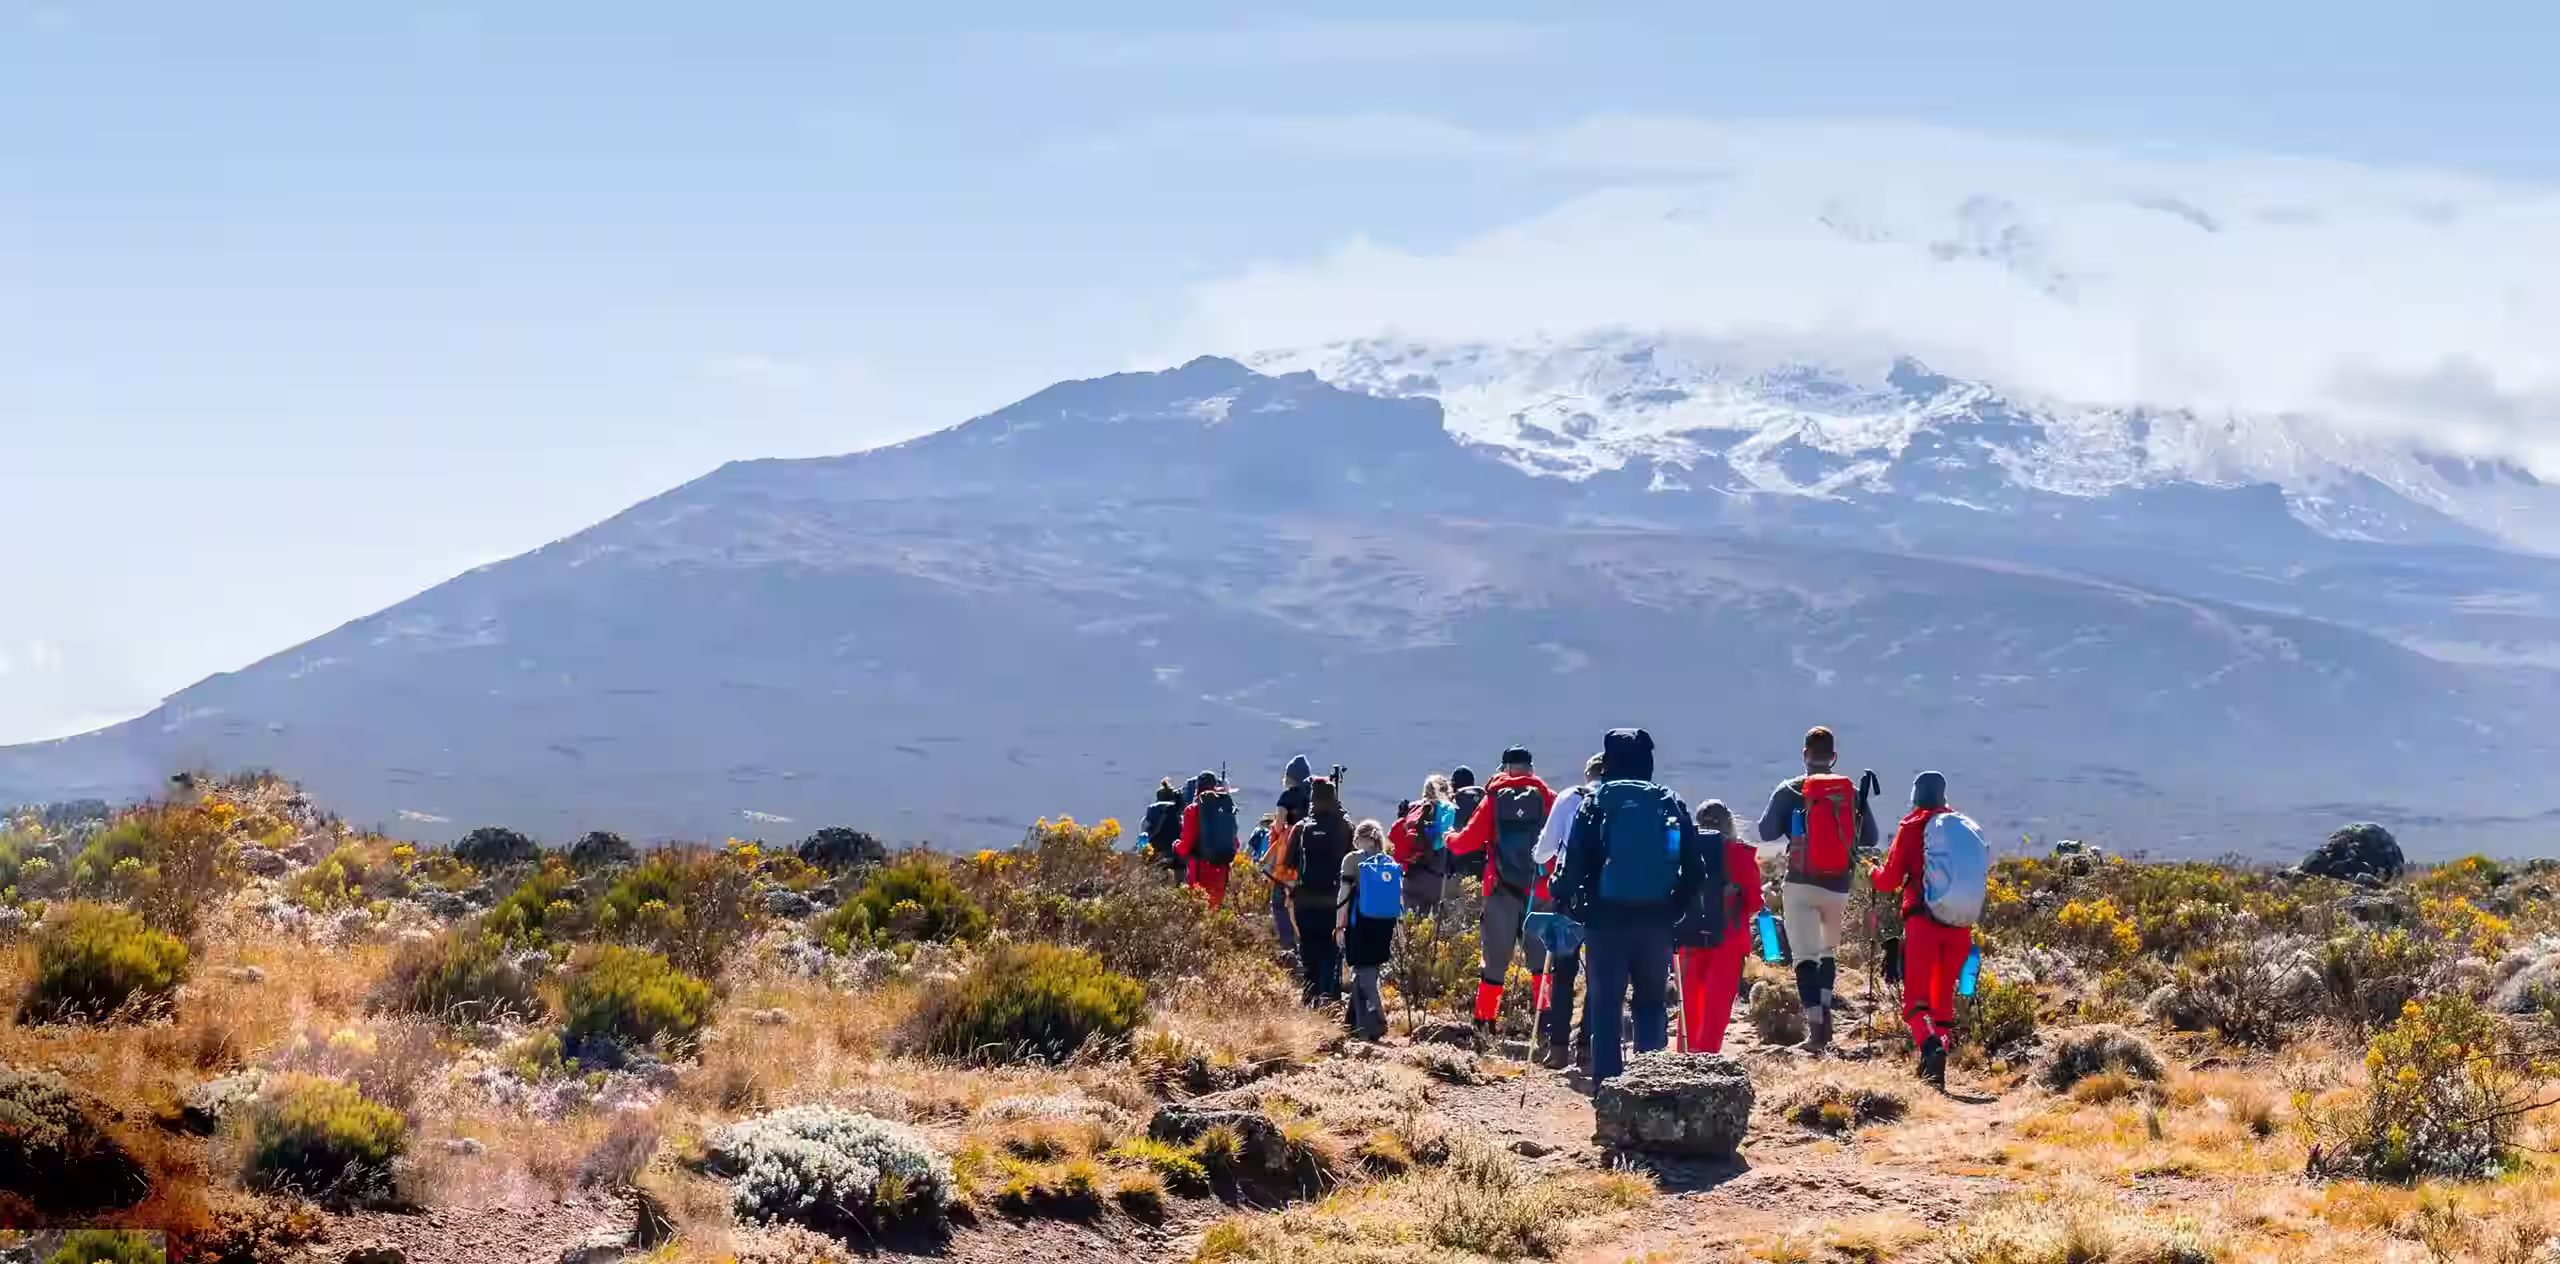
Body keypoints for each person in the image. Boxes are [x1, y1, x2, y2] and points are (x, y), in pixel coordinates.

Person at [1558, 729, 1718, 1086]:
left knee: (1605, 1005)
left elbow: (1575, 866)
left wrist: (1567, 898)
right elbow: (1696, 869)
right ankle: (1650, 1085)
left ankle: (1607, 1088)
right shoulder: (1668, 802)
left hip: (1605, 921)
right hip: (1656, 920)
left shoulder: (1596, 802)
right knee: (1650, 1003)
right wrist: (1673, 907)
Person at [1757, 726, 1879, 1054]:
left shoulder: (1790, 789)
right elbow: (1871, 838)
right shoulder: (1849, 791)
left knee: (1804, 957)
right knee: (1826, 953)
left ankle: (1816, 1031)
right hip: (1837, 884)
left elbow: (1765, 831)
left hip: (1800, 881)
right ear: (1834, 757)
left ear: (1804, 754)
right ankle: (1825, 1019)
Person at [1871, 771, 1978, 1089]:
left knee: (1916, 1000)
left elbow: (1889, 880)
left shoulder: (1912, 827)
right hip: (1960, 926)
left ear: (1916, 797)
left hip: (1923, 924)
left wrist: (1872, 872)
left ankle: (1929, 1046)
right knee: (1942, 999)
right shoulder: (1964, 829)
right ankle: (1936, 1068)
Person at [1448, 747, 1556, 1040]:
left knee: (1494, 962)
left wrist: (1448, 836)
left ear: (1506, 767)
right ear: (1530, 768)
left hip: (1500, 891)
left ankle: (1485, 1024)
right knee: (1541, 962)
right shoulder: (1547, 797)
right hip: (1540, 891)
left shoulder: (1493, 798)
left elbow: (1464, 843)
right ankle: (1545, 1024)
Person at [1529, 752, 1605, 1069]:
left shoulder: (1569, 797)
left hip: (1569, 896)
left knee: (1563, 973)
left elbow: (1543, 851)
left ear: (1587, 773)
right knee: (1601, 975)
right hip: (1607, 898)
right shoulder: (1621, 801)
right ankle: (1588, 1046)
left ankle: (1558, 1048)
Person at [1676, 800, 1762, 1055]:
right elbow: (1755, 902)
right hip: (1728, 939)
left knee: (1689, 1004)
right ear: (1730, 823)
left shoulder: (1684, 850)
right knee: (1716, 1007)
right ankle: (1707, 1059)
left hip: (1689, 936)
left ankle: (1683, 1059)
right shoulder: (1740, 853)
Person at [1289, 776, 1354, 1008]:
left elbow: (1289, 864)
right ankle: (1331, 1002)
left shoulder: (1301, 828)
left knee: (1308, 952)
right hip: (1335, 903)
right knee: (1331, 953)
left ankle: (1309, 1002)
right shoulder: (1346, 826)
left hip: (1306, 902)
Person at [1338, 818, 1399, 1041]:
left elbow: (1343, 896)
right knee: (1367, 971)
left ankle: (1377, 1020)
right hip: (1383, 925)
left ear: (1362, 839)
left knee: (1364, 973)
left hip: (1360, 923)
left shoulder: (1352, 860)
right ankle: (1353, 1024)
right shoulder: (1388, 861)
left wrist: (1339, 926)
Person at [1390, 774, 1455, 919]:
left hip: (1411, 875)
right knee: (1440, 929)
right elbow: (1443, 840)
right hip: (1434, 878)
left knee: (1411, 926)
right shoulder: (1447, 809)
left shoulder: (1413, 808)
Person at [1176, 770, 1240, 911]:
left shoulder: (1192, 810)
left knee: (1199, 916)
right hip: (1221, 871)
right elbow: (1236, 843)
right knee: (1214, 916)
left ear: (1197, 788)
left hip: (1199, 872)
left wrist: (1176, 846)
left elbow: (1186, 846)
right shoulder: (1224, 808)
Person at [1141, 780, 1184, 873]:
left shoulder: (1150, 813)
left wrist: (1141, 852)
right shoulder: (1178, 813)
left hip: (1155, 853)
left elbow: (1144, 834)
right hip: (1174, 854)